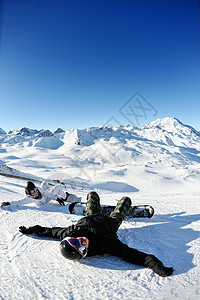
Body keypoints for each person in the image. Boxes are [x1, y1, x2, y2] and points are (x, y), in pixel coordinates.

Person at [19, 191, 174, 277]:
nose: (81, 240)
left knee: (92, 194)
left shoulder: (71, 232)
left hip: (91, 215)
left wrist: (32, 229)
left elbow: (50, 232)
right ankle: (119, 210)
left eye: (76, 240)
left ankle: (96, 208)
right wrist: (156, 266)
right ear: (84, 252)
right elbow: (133, 255)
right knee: (126, 200)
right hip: (111, 221)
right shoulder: (105, 245)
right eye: (81, 245)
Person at [1, 180, 81, 208]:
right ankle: (66, 197)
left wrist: (57, 198)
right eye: (32, 191)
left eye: (35, 189)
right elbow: (19, 202)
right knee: (57, 187)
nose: (35, 192)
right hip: (45, 201)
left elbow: (48, 194)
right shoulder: (29, 198)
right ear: (28, 193)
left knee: (45, 182)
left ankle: (62, 197)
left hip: (46, 195)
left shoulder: (38, 190)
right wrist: (9, 203)